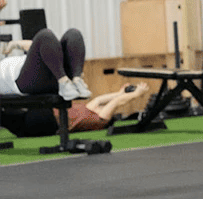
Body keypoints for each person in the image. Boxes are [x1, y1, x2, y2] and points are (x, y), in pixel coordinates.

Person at [1, 81, 150, 137]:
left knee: (8, 114)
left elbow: (117, 103)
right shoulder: (90, 109)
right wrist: (119, 93)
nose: (104, 106)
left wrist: (137, 94)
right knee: (7, 114)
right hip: (42, 120)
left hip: (45, 121)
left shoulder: (101, 120)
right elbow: (99, 99)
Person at [0, 26, 92, 101]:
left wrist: (14, 44)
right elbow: (42, 39)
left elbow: (38, 45)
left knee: (73, 34)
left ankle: (77, 81)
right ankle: (63, 82)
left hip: (52, 73)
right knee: (45, 35)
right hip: (24, 83)